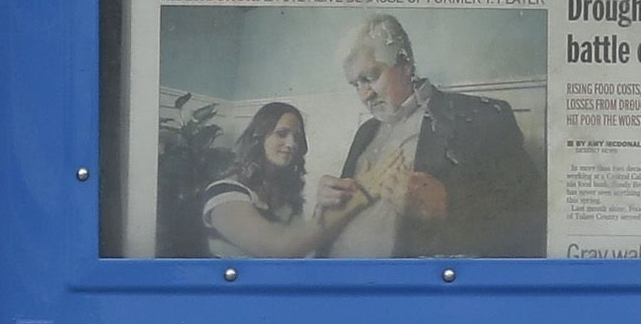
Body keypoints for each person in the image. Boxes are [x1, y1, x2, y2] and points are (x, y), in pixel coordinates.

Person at [323, 14, 545, 258]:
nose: (365, 96)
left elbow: (529, 215)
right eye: (355, 84)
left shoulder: (480, 117)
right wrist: (326, 208)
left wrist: (446, 205)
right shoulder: (365, 132)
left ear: (405, 64)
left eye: (371, 77)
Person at [198, 102, 350, 259]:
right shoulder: (224, 192)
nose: (292, 144)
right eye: (282, 134)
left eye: (296, 137)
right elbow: (279, 248)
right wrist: (346, 209)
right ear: (259, 136)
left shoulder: (286, 194)